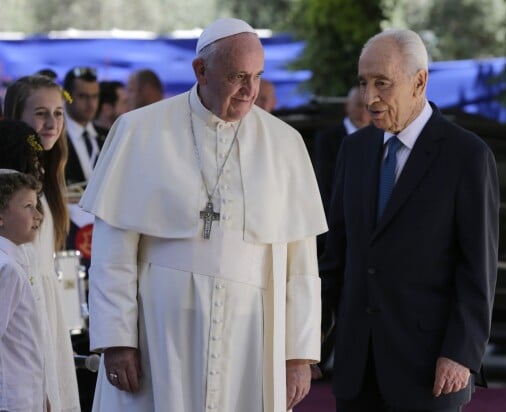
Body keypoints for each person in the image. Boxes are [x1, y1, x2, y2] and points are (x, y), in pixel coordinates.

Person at [80, 17, 327, 412]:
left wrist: (298, 354)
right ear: (201, 70)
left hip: (250, 336)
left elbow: (301, 263)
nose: (250, 91)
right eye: (237, 77)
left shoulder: (285, 144)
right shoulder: (139, 130)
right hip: (160, 334)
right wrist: (117, 339)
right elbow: (114, 250)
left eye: (257, 77)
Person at [319, 28, 499, 412]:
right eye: (364, 83)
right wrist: (307, 346)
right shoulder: (354, 151)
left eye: (382, 83)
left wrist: (460, 353)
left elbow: (477, 270)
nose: (369, 98)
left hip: (430, 370)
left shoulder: (467, 156)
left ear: (420, 82)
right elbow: (334, 259)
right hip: (356, 370)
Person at [4, 78, 82, 412]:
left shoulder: (47, 178)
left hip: (49, 310)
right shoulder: (11, 184)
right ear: (16, 115)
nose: (51, 124)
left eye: (58, 113)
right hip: (23, 311)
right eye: (40, 113)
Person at [0, 169, 45, 412]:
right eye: (28, 206)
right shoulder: (6, 269)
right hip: (13, 402)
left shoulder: (14, 261)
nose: (38, 215)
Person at [314, 85, 371, 217]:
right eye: (359, 105)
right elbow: (326, 181)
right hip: (337, 213)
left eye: (368, 106)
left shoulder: (381, 135)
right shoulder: (327, 138)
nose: (364, 111)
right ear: (347, 106)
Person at [62, 66, 106, 185]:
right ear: (66, 96)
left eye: (95, 96)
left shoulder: (106, 136)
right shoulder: (54, 138)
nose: (91, 104)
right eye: (82, 96)